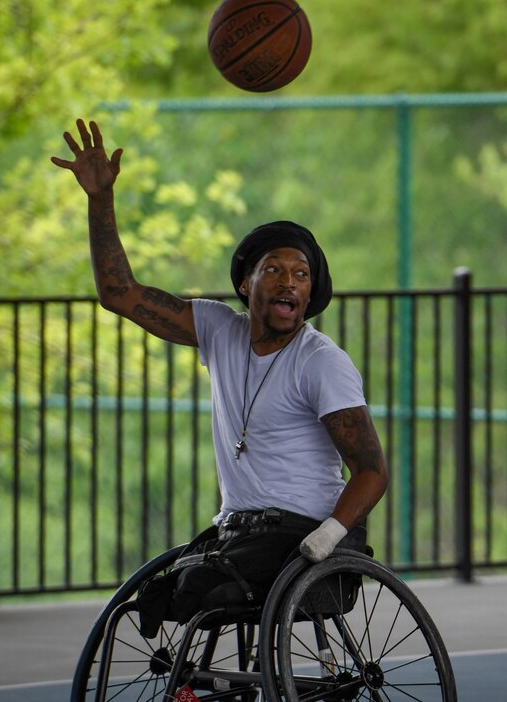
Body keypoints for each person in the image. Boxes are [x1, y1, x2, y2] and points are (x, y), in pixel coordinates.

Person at [52, 118, 389, 627]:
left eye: (301, 275)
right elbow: (120, 294)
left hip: (306, 533)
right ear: (245, 282)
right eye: (273, 269)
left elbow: (372, 472)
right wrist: (100, 201)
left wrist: (328, 536)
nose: (289, 283)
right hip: (237, 531)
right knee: (153, 598)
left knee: (202, 590)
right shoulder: (218, 329)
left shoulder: (321, 361)